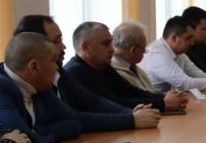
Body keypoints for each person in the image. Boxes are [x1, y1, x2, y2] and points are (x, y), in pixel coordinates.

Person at [14, 15, 160, 132]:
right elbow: (71, 118)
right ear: (35, 45)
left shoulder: (60, 72)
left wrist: (131, 114)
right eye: (57, 41)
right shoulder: (71, 72)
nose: (64, 46)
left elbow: (96, 102)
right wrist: (132, 119)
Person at [64, 22, 187, 112]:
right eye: (106, 44)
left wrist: (164, 97)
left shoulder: (103, 66)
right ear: (85, 47)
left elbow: (131, 92)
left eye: (111, 43)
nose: (112, 49)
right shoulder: (75, 72)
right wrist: (163, 103)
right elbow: (112, 104)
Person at [0, 32, 81, 143]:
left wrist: (34, 132)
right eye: (53, 61)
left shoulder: (39, 83)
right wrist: (32, 137)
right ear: (34, 67)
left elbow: (74, 123)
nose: (57, 67)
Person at [140, 16, 206, 92]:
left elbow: (198, 75)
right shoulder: (157, 53)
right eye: (188, 38)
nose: (192, 42)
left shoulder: (179, 53)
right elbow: (184, 83)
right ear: (174, 38)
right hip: (150, 103)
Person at [111, 20, 161, 92]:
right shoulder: (115, 73)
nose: (144, 53)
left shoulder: (132, 66)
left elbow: (150, 93)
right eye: (143, 50)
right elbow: (137, 97)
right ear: (133, 50)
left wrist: (164, 96)